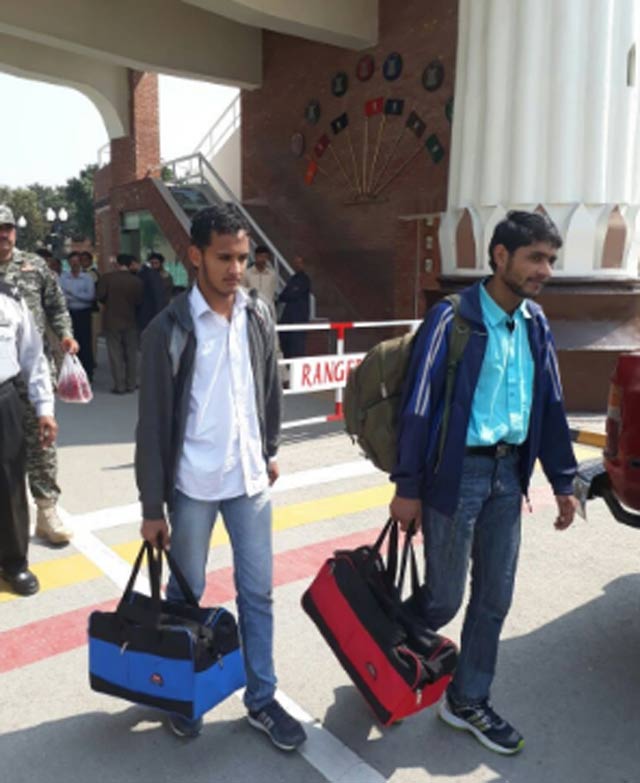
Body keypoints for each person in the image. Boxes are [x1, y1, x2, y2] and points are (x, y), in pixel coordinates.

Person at [390, 210, 578, 756]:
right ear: (500, 257)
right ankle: (387, 651)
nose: (545, 270)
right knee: (443, 598)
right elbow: (419, 408)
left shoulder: (536, 322)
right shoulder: (453, 319)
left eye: (550, 260)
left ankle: (466, 699)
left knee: (495, 596)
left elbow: (550, 404)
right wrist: (408, 487)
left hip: (508, 473)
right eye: (535, 258)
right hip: (457, 476)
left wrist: (562, 480)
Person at [136, 205, 306, 750]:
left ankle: (262, 698)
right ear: (195, 256)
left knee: (258, 595)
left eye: (241, 257)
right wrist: (150, 507)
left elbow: (269, 391)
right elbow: (153, 424)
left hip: (250, 483)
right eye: (224, 257)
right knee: (186, 599)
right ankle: (182, 695)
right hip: (193, 487)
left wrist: (269, 449)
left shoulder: (257, 315)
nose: (237, 268)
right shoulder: (168, 330)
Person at [0, 204, 76, 545]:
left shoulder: (34, 267)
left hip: (29, 369)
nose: (2, 234)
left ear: (15, 231)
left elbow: (56, 306)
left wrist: (64, 334)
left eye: (7, 228)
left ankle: (46, 509)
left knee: (41, 442)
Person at [0, 280, 57, 596]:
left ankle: (14, 563)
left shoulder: (10, 299)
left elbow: (33, 357)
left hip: (3, 397)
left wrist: (44, 408)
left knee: (9, 484)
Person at [96, 254, 144, 394]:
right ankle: (131, 383)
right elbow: (139, 301)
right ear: (130, 265)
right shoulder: (137, 281)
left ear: (117, 264)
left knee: (115, 353)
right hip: (131, 319)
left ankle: (119, 385)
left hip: (112, 319)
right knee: (131, 353)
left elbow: (99, 296)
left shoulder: (107, 278)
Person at [60, 251, 96, 381]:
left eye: (77, 261)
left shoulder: (87, 278)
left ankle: (87, 372)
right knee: (70, 342)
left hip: (83, 313)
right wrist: (76, 295)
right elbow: (61, 295)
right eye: (72, 261)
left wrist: (72, 294)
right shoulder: (64, 277)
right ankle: (71, 373)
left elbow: (90, 297)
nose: (74, 264)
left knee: (85, 343)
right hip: (69, 313)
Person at [277, 255, 311, 359]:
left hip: (299, 318)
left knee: (297, 347)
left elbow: (292, 294)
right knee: (286, 343)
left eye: (299, 263)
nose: (297, 265)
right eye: (295, 263)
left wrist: (289, 294)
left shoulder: (305, 280)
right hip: (288, 317)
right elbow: (283, 295)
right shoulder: (292, 279)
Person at [131, 255, 165, 333]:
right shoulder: (147, 274)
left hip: (152, 311)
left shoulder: (151, 275)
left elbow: (158, 295)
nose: (153, 265)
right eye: (152, 263)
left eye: (156, 263)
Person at [243, 244, 278, 320]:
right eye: (261, 257)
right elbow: (243, 291)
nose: (263, 260)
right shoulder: (247, 274)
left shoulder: (272, 274)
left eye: (266, 257)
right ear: (256, 257)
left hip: (268, 311)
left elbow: (272, 292)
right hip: (252, 311)